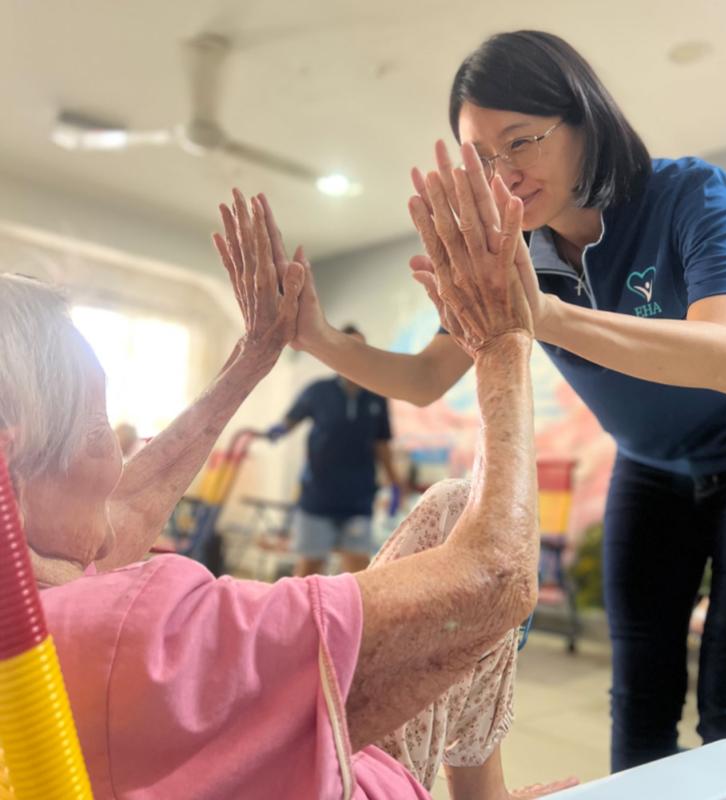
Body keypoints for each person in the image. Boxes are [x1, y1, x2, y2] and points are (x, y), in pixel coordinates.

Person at [278, 30, 726, 777]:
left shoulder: (688, 194)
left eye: (520, 141)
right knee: (641, 699)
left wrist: (544, 315)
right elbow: (428, 376)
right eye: (482, 157)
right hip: (651, 469)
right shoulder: (516, 257)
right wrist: (318, 337)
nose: (504, 173)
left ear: (585, 119)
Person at [0, 186, 577, 799]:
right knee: (458, 524)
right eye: (98, 432)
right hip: (356, 769)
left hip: (349, 505)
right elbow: (496, 578)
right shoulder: (137, 634)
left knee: (432, 525)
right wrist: (503, 339)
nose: (119, 464)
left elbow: (123, 510)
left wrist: (253, 355)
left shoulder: (35, 601)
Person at [266, 324, 403, 577]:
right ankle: (300, 618)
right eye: (350, 347)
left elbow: (382, 445)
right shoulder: (318, 391)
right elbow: (289, 421)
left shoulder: (377, 397)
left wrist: (395, 484)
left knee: (359, 574)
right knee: (308, 571)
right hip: (318, 497)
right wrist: (274, 431)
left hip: (358, 499)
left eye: (362, 348)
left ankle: (355, 618)